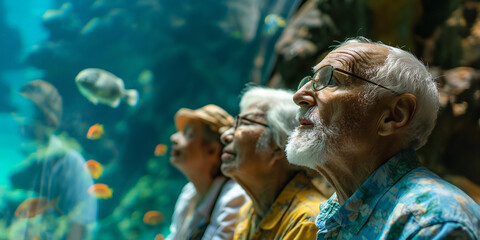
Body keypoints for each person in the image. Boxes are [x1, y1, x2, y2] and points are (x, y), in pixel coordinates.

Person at [286, 37, 480, 239]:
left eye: (331, 80)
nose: (299, 95)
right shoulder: (341, 211)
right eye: (310, 81)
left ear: (394, 115)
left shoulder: (431, 223)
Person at [220, 86, 326, 239]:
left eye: (244, 123)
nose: (226, 135)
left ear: (280, 147)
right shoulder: (248, 213)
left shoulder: (305, 222)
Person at [167, 104, 248, 240]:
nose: (174, 138)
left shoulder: (234, 197)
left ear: (212, 150)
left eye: (188, 134)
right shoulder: (189, 193)